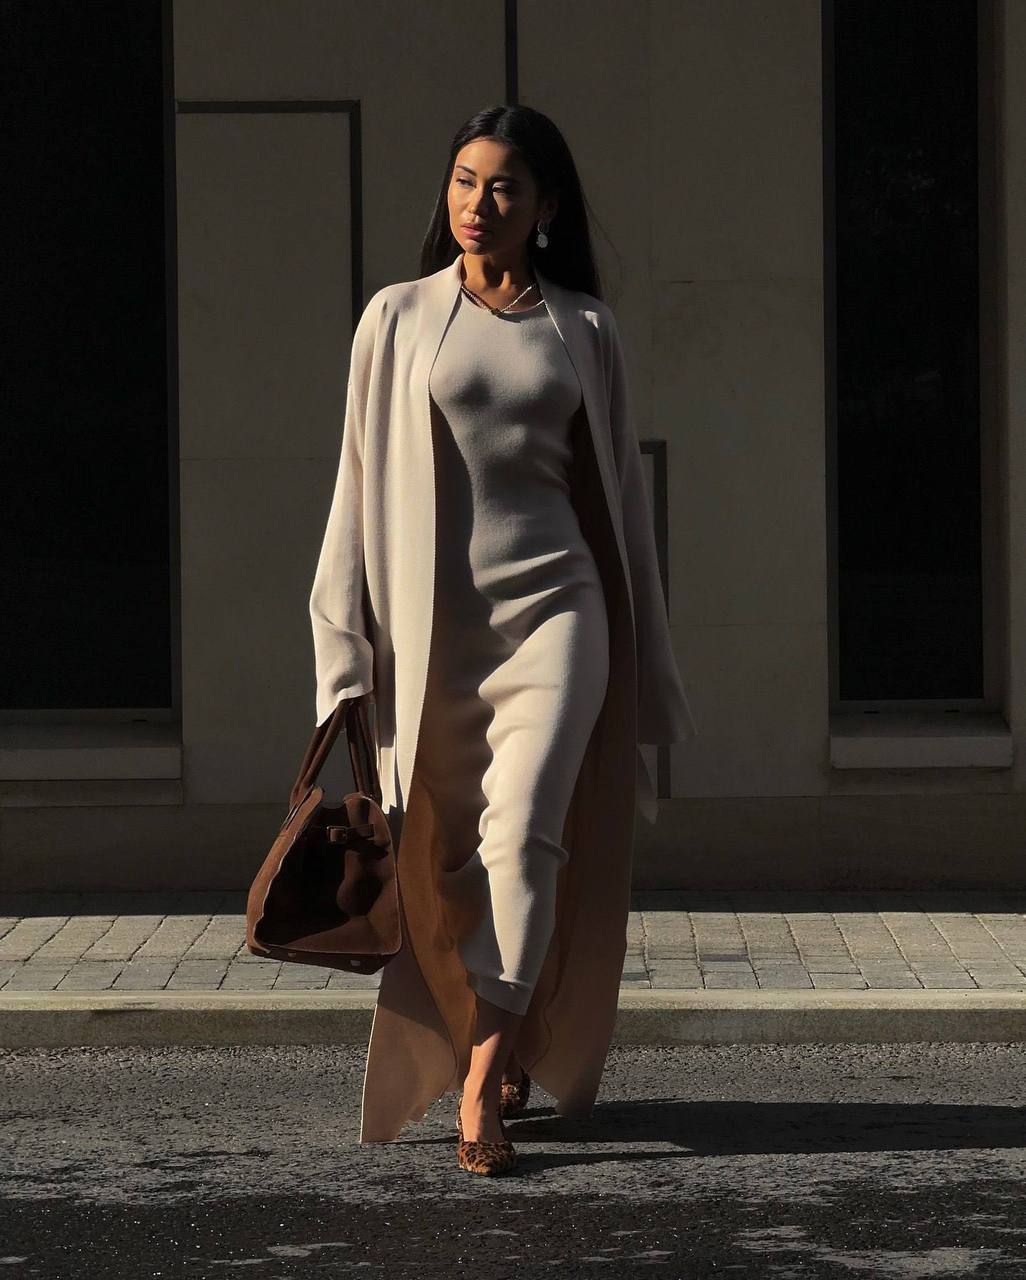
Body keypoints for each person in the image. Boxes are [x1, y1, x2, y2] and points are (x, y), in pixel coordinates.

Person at [309, 104, 697, 1176]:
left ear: (545, 207)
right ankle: (505, 1024)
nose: (479, 203)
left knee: (524, 837)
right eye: (465, 180)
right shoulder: (396, 318)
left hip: (559, 614)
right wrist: (341, 648)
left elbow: (620, 506)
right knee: (439, 862)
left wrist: (647, 652)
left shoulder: (584, 328)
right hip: (436, 633)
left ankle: (483, 1076)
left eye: (506, 187)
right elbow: (353, 488)